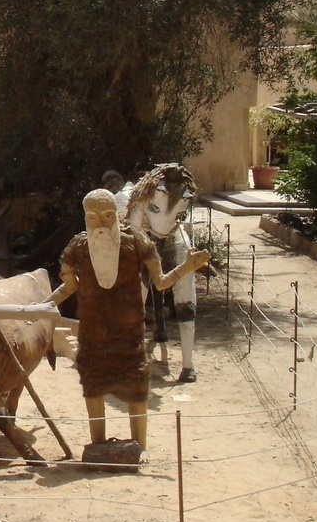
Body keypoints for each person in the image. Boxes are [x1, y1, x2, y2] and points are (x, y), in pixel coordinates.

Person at [49, 189, 208, 460]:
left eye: (107, 216)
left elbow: (160, 282)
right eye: (92, 217)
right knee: (93, 389)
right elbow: (68, 286)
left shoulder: (136, 242)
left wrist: (187, 266)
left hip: (129, 338)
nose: (100, 224)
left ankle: (139, 447)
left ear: (116, 214)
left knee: (136, 390)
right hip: (93, 339)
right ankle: (97, 445)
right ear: (85, 217)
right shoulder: (78, 247)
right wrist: (41, 306)